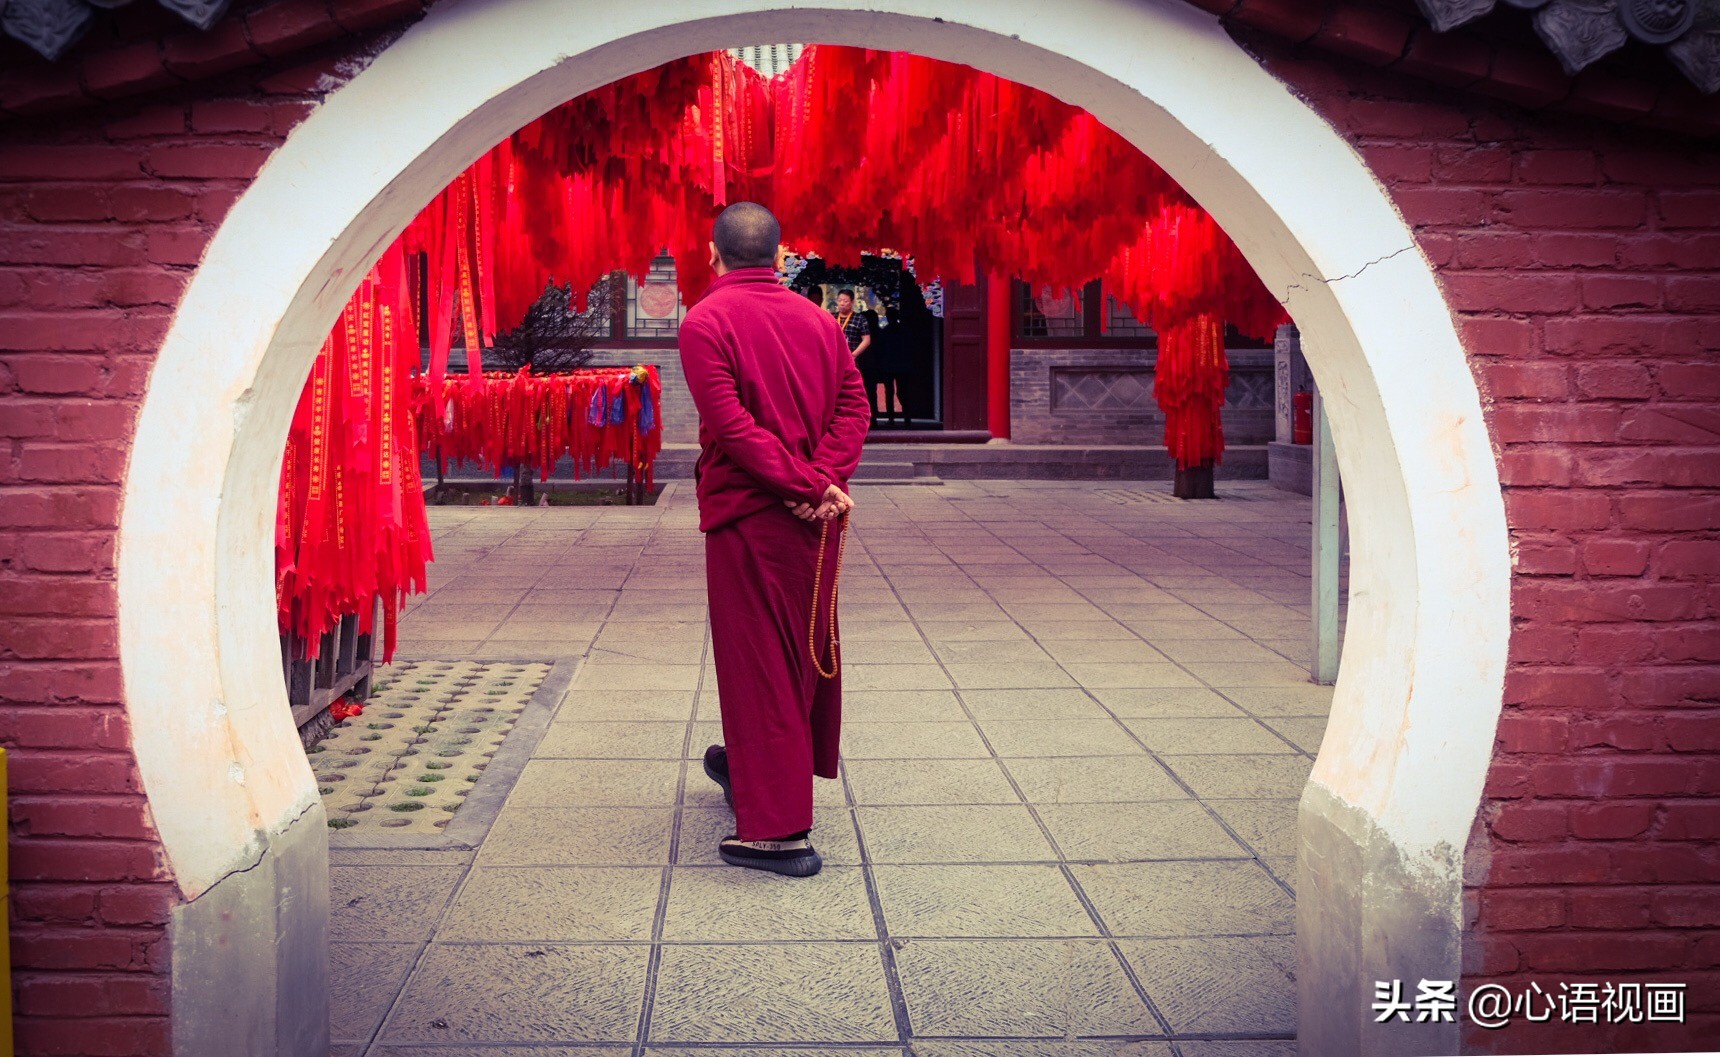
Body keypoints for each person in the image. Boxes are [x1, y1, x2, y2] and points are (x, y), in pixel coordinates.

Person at [677, 202, 872, 877]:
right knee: (795, 652)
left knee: (758, 662)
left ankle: (779, 832)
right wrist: (821, 479)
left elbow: (731, 427)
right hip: (813, 519)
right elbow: (856, 406)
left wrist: (804, 483)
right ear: (781, 258)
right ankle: (756, 770)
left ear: (714, 255)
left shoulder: (704, 322)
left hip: (752, 514)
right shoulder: (819, 320)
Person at [870, 305, 911, 425]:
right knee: (902, 391)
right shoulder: (903, 331)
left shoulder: (885, 332)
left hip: (889, 364)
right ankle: (906, 416)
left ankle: (891, 418)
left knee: (890, 391)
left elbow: (881, 349)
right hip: (901, 364)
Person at [832, 288, 871, 360]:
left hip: (851, 358)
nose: (842, 303)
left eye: (845, 301)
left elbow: (866, 340)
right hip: (834, 358)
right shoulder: (831, 317)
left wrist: (853, 355)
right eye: (839, 300)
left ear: (852, 302)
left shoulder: (860, 318)